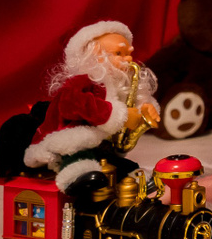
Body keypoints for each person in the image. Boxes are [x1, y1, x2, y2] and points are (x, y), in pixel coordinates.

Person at [17, 22, 160, 196]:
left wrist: (143, 109)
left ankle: (132, 178)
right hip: (69, 140)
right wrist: (120, 115)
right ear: (95, 56)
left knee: (115, 162)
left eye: (129, 54)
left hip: (101, 145)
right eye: (119, 53)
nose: (129, 60)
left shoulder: (116, 84)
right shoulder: (81, 82)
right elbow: (71, 104)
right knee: (78, 154)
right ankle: (75, 177)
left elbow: (127, 108)